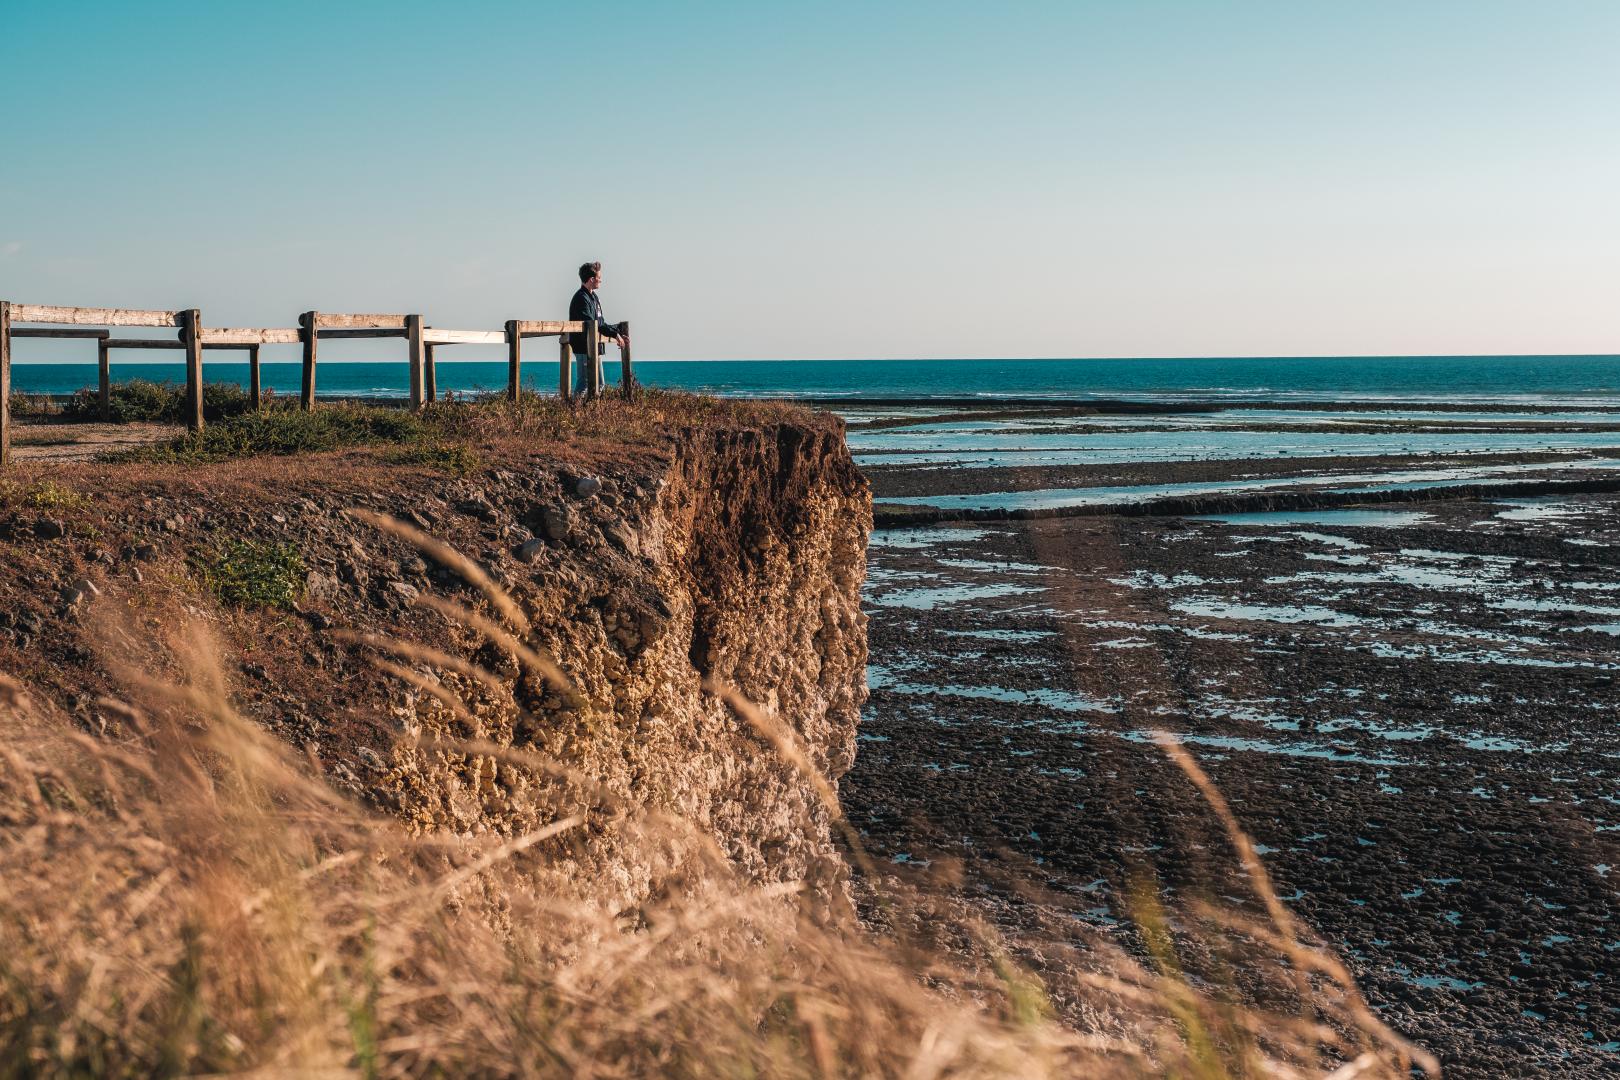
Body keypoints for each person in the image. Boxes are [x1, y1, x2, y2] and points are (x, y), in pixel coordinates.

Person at [568, 261, 626, 398]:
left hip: (595, 347)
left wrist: (618, 332)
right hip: (583, 347)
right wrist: (614, 334)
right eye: (599, 277)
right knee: (584, 383)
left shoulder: (594, 297)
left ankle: (590, 412)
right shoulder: (581, 299)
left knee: (600, 384)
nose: (601, 280)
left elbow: (601, 322)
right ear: (591, 279)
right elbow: (593, 323)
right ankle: (573, 412)